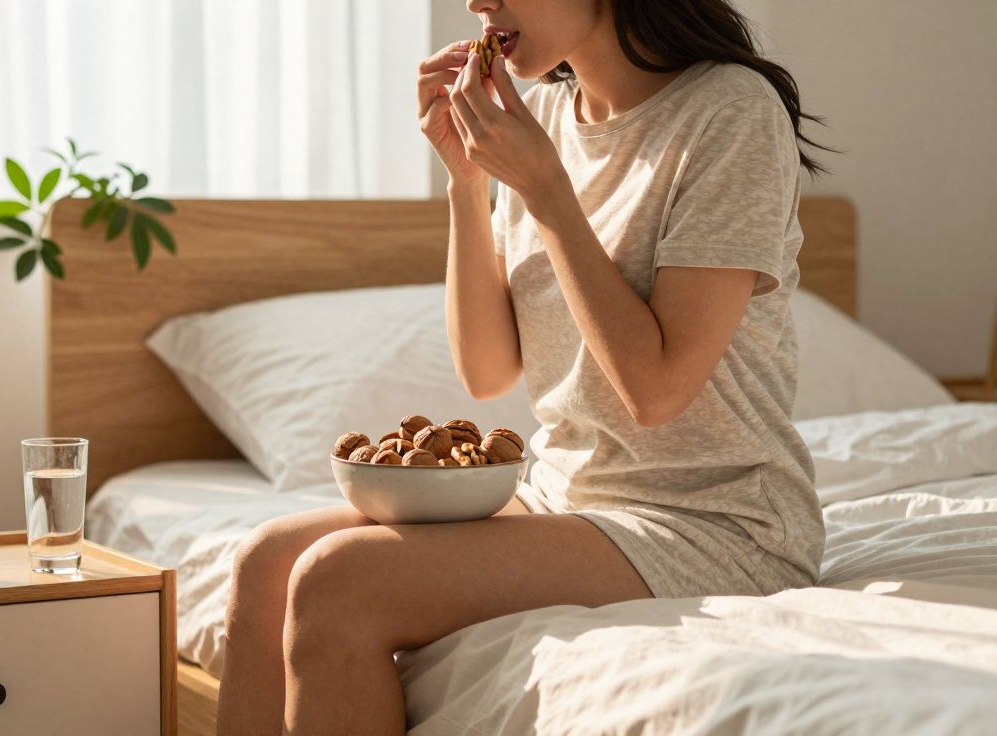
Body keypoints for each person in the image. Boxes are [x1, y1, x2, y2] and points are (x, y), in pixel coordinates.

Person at [218, 0, 833, 732]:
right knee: (266, 563)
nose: (478, 2)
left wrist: (545, 189)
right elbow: (487, 370)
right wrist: (467, 180)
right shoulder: (536, 118)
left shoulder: (729, 110)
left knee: (338, 579)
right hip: (564, 496)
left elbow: (657, 390)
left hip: (715, 524)